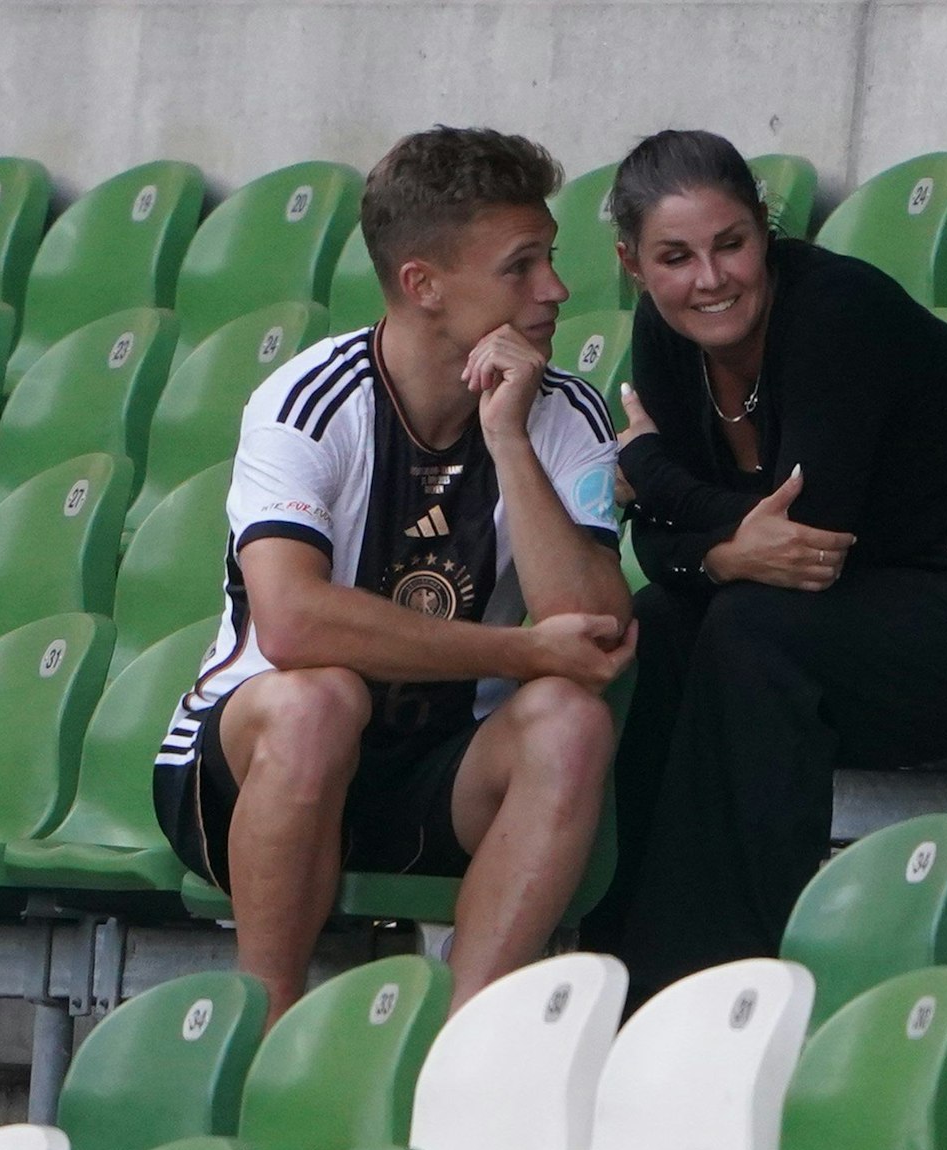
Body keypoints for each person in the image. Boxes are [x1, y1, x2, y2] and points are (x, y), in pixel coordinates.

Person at [581, 129, 947, 1006]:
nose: (710, 278)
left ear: (764, 233)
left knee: (753, 628)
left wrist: (652, 470)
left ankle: (710, 983)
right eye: (675, 256)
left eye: (730, 244)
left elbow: (810, 540)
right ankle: (608, 964)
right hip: (891, 606)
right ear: (632, 263)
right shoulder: (667, 334)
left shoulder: (838, 311)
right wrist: (720, 545)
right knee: (655, 624)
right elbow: (657, 546)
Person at [154, 127, 636, 1021]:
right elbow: (293, 626)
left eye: (550, 260)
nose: (556, 291)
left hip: (442, 777)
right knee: (318, 701)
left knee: (569, 722)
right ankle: (269, 1028)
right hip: (248, 776)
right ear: (423, 284)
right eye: (521, 267)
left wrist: (508, 438)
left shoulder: (562, 407)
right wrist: (521, 648)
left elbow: (595, 633)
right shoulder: (305, 401)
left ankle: (460, 1044)